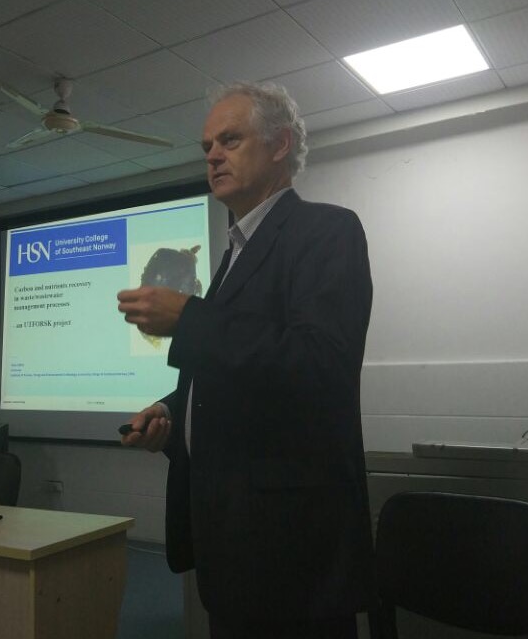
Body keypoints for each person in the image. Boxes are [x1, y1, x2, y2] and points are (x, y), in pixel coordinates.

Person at [117, 81, 375, 639]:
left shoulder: (328, 230)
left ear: (280, 145)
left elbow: (320, 365)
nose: (212, 155)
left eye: (230, 140)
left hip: (293, 558)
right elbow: (240, 374)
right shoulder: (235, 253)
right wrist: (172, 413)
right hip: (233, 547)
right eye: (207, 146)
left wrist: (189, 318)